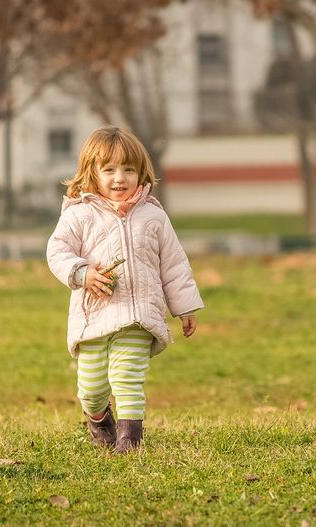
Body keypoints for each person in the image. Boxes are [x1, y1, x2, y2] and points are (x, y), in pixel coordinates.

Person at [47, 126, 203, 453]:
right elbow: (57, 251)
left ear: (141, 172)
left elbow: (173, 263)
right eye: (109, 170)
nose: (120, 178)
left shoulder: (153, 216)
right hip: (94, 318)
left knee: (127, 378)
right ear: (92, 173)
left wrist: (185, 306)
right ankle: (100, 420)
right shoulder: (79, 214)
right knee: (90, 389)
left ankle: (130, 441)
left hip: (138, 317)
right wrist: (82, 272)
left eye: (128, 169)